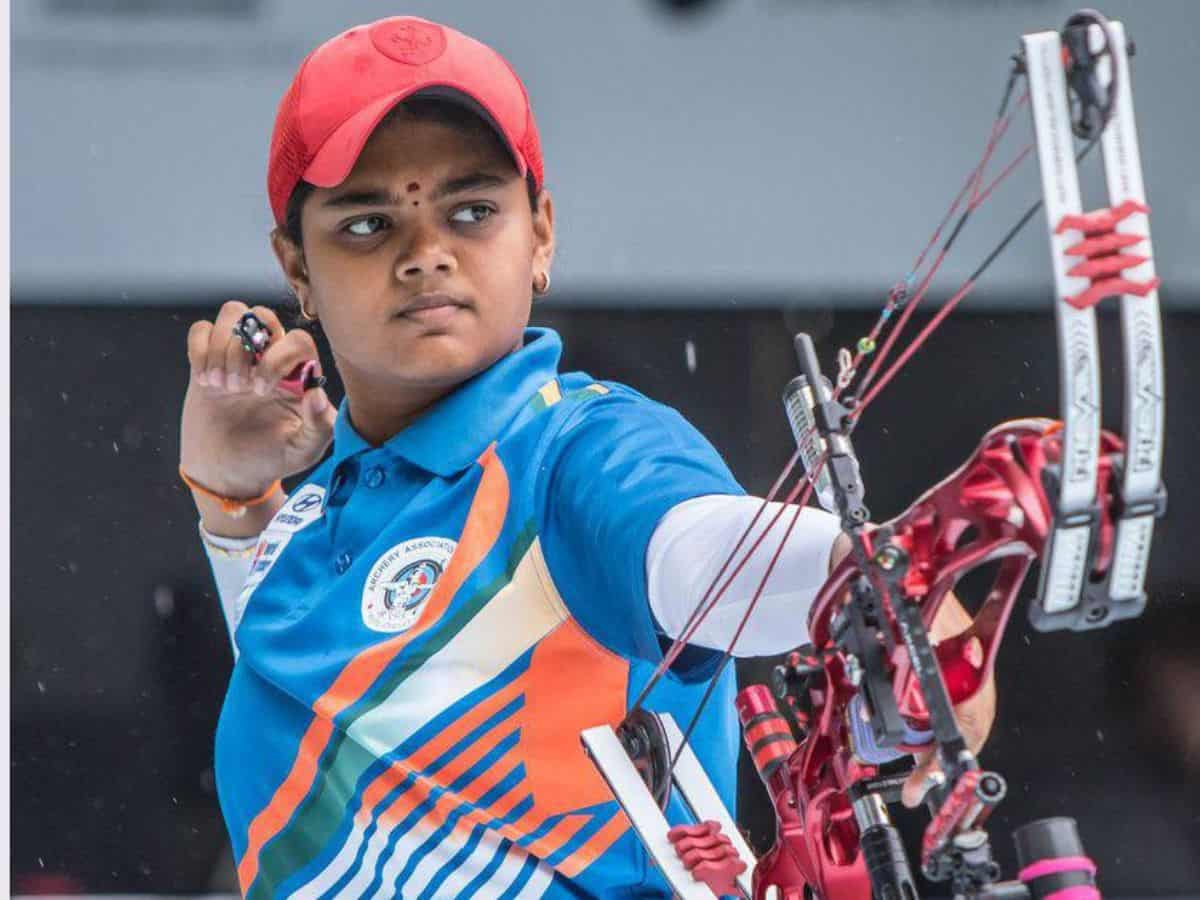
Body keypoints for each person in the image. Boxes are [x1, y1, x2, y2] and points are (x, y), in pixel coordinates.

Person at [179, 16, 994, 898]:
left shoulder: (578, 450)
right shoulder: (306, 527)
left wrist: (870, 583)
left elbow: (691, 544)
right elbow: (341, 726)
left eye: (472, 210)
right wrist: (234, 502)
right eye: (369, 224)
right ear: (295, 268)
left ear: (542, 235)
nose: (425, 255)